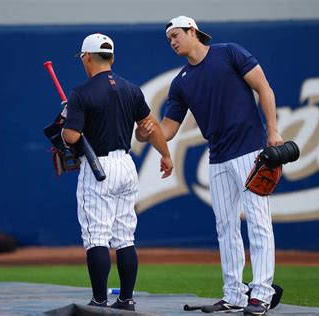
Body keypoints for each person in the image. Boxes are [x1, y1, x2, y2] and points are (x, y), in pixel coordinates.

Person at [136, 16, 283, 315]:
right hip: (217, 157)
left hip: (251, 149)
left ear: (192, 31)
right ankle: (234, 294)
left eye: (176, 35)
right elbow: (167, 130)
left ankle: (262, 293)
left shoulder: (229, 53)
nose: (172, 42)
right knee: (225, 226)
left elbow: (264, 88)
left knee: (258, 221)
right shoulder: (181, 83)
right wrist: (146, 131)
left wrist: (273, 131)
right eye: (169, 39)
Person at [62, 33, 173, 311]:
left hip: (98, 167)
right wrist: (166, 155)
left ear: (87, 57)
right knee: (125, 236)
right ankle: (126, 300)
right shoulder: (132, 89)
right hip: (126, 165)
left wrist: (66, 120)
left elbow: (72, 137)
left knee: (96, 237)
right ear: (111, 57)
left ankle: (99, 301)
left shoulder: (81, 93)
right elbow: (151, 127)